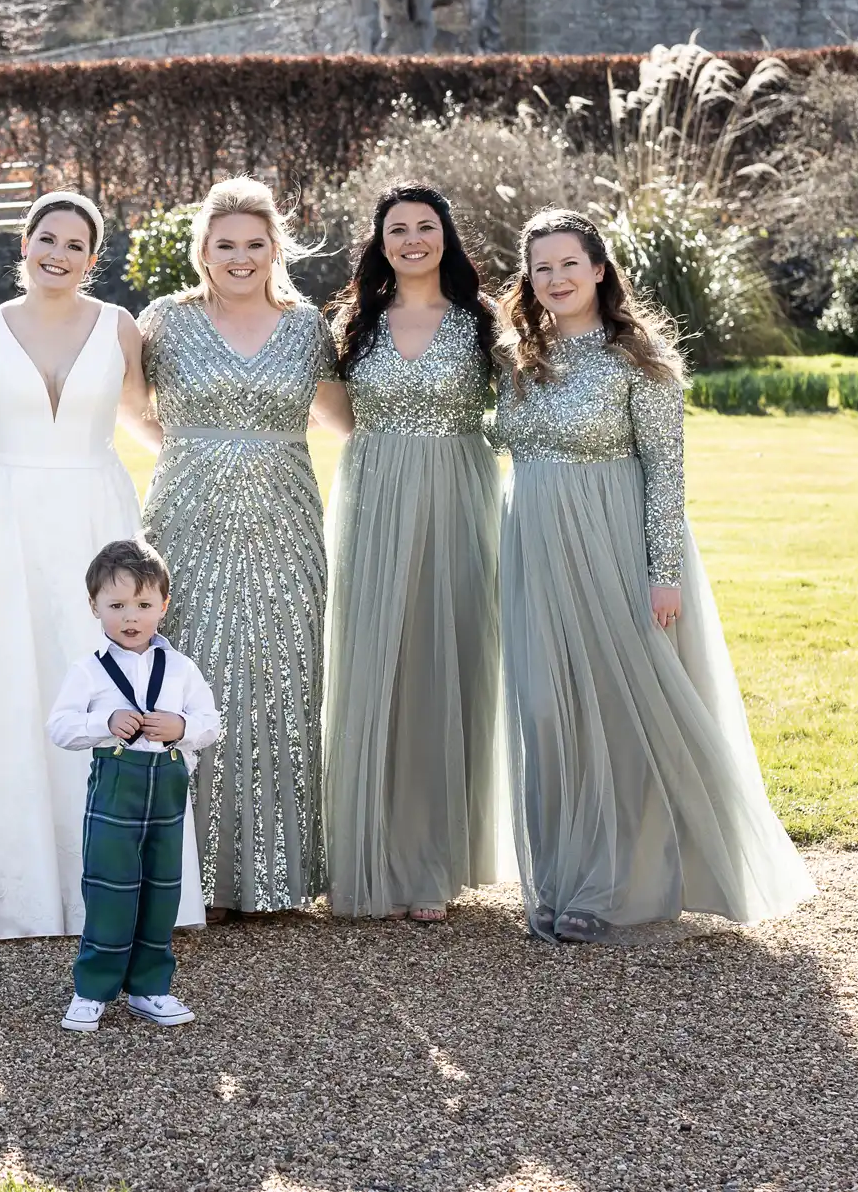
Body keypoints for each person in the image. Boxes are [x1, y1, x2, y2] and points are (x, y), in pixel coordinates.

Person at [0, 191, 206, 940]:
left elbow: (140, 414)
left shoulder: (121, 328)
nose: (58, 253)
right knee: (2, 678)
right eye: (46, 238)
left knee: (102, 668)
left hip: (97, 511)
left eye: (75, 244)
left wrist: (202, 464)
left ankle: (110, 881)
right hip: (7, 523)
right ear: (24, 244)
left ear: (93, 259)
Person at [492, 207, 814, 942]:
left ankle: (607, 886)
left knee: (617, 710)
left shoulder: (640, 361)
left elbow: (666, 473)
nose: (556, 277)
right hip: (533, 544)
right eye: (541, 267)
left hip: (611, 542)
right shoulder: (517, 356)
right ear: (529, 279)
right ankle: (561, 869)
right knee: (545, 709)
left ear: (600, 269)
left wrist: (661, 573)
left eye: (569, 263)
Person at [134, 176, 347, 917]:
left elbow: (346, 418)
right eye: (226, 244)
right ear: (202, 250)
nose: (241, 257)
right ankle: (194, 879)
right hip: (187, 520)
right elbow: (129, 404)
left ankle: (276, 877)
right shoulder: (165, 320)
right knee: (191, 677)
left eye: (256, 244)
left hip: (286, 524)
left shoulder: (305, 327)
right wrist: (189, 453)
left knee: (280, 681)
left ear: (275, 249)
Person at [320, 185, 509, 924]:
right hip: (371, 495)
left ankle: (431, 861)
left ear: (446, 236)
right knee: (375, 664)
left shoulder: (482, 322)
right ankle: (368, 854)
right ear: (380, 242)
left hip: (458, 498)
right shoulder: (355, 322)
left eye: (425, 227)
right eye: (396, 229)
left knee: (443, 661)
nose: (411, 239)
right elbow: (335, 414)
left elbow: (527, 401)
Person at [47, 539, 219, 1033]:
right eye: (117, 605)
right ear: (95, 607)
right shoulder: (88, 671)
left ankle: (150, 987)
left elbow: (211, 722)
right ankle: (92, 989)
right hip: (115, 789)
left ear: (163, 606)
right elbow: (59, 727)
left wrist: (182, 728)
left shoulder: (182, 669)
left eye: (143, 605)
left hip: (166, 789)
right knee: (109, 888)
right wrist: (106, 721)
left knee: (160, 890)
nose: (131, 617)